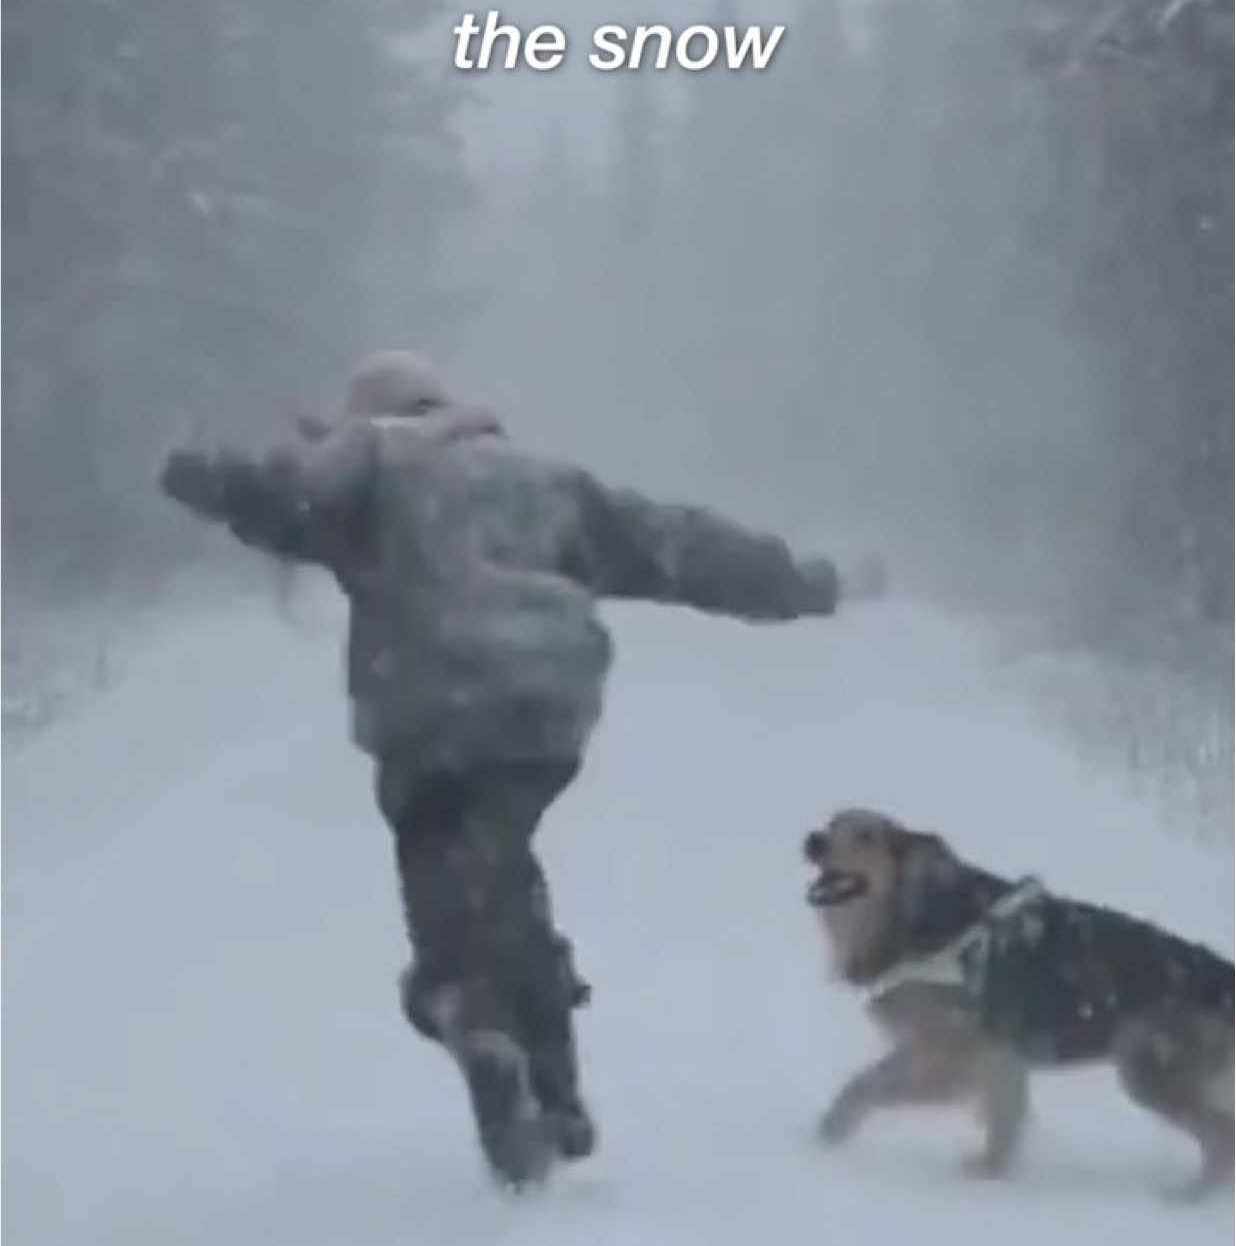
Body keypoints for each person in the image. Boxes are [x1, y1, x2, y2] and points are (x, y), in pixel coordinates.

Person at [161, 349, 887, 1191]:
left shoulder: (371, 461)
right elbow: (679, 545)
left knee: (444, 891)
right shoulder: (543, 481)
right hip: (543, 712)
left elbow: (282, 494)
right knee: (501, 869)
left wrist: (188, 468)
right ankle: (557, 1083)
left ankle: (480, 1023)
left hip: (431, 706)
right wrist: (810, 583)